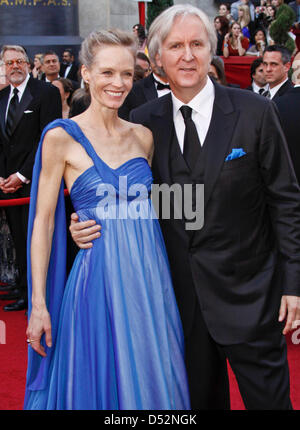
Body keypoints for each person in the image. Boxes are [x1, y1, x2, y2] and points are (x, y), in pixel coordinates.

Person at [70, 4, 300, 410]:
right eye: (176, 46)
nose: (188, 55)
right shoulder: (141, 121)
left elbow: (285, 201)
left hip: (252, 297)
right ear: (157, 59)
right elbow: (125, 197)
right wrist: (84, 222)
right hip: (174, 303)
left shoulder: (255, 112)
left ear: (211, 51)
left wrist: (294, 285)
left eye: (197, 44)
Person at [23, 29, 190, 410]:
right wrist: (38, 304)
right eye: (107, 73)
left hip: (150, 281)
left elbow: (157, 207)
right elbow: (43, 223)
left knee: (153, 383)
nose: (118, 84)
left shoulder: (143, 137)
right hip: (97, 278)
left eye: (127, 74)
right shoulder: (61, 137)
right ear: (86, 73)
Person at [0, 45, 62, 312]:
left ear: (28, 64)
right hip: (6, 185)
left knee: (33, 238)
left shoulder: (46, 93)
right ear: (4, 67)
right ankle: (21, 284)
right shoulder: (1, 97)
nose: (15, 65)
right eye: (9, 62)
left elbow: (47, 139)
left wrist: (22, 175)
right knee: (16, 236)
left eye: (19, 61)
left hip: (34, 181)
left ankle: (34, 293)